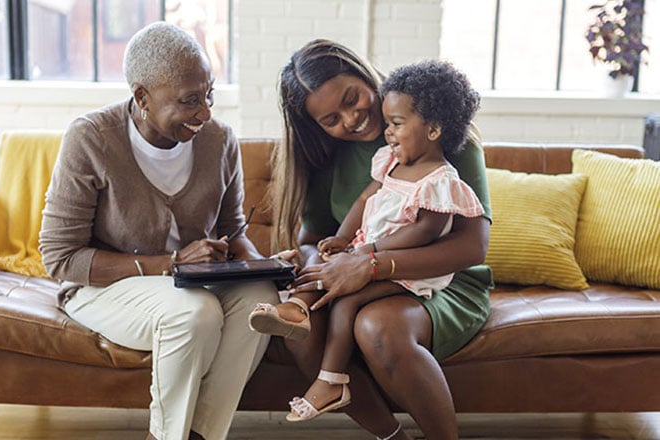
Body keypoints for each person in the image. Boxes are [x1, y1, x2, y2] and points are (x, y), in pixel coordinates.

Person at [39, 22, 277, 440]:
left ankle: (202, 435)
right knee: (194, 313)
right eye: (189, 101)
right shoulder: (92, 139)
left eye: (209, 95)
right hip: (104, 288)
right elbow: (61, 258)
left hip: (193, 284)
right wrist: (170, 263)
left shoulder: (219, 140)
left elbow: (232, 230)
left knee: (261, 301)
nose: (205, 112)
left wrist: (265, 267)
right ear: (142, 97)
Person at [264, 40, 494, 440]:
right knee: (301, 332)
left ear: (363, 72)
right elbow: (314, 237)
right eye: (330, 119)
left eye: (353, 99)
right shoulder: (328, 156)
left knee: (377, 327)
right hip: (358, 268)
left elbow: (471, 248)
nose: (351, 120)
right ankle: (390, 436)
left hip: (443, 280)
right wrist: (320, 262)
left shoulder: (440, 135)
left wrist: (369, 264)